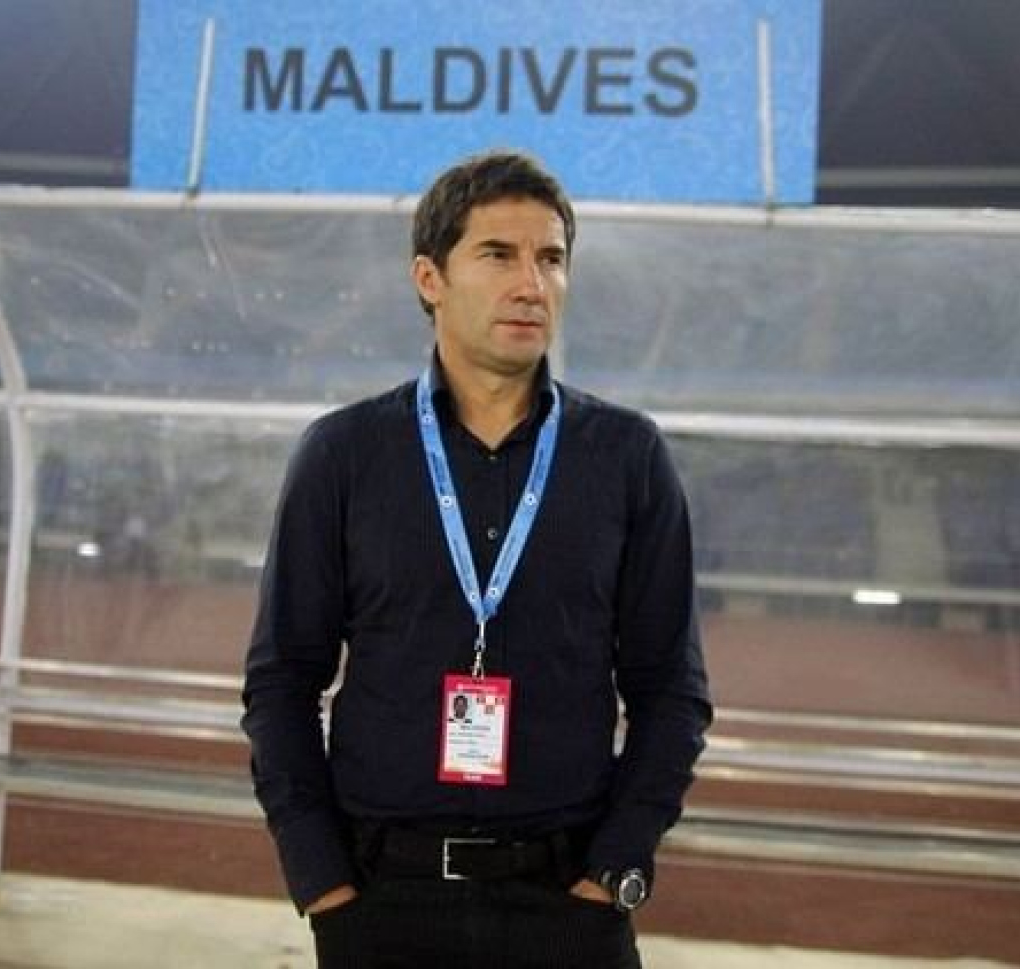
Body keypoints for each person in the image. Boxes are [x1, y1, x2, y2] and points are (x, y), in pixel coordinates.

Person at [242, 149, 711, 969]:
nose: (532, 284)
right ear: (430, 277)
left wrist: (615, 871)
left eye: (551, 259)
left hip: (569, 902)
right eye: (498, 255)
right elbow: (283, 678)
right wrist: (322, 883)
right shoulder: (343, 455)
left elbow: (670, 688)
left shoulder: (626, 456)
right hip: (383, 899)